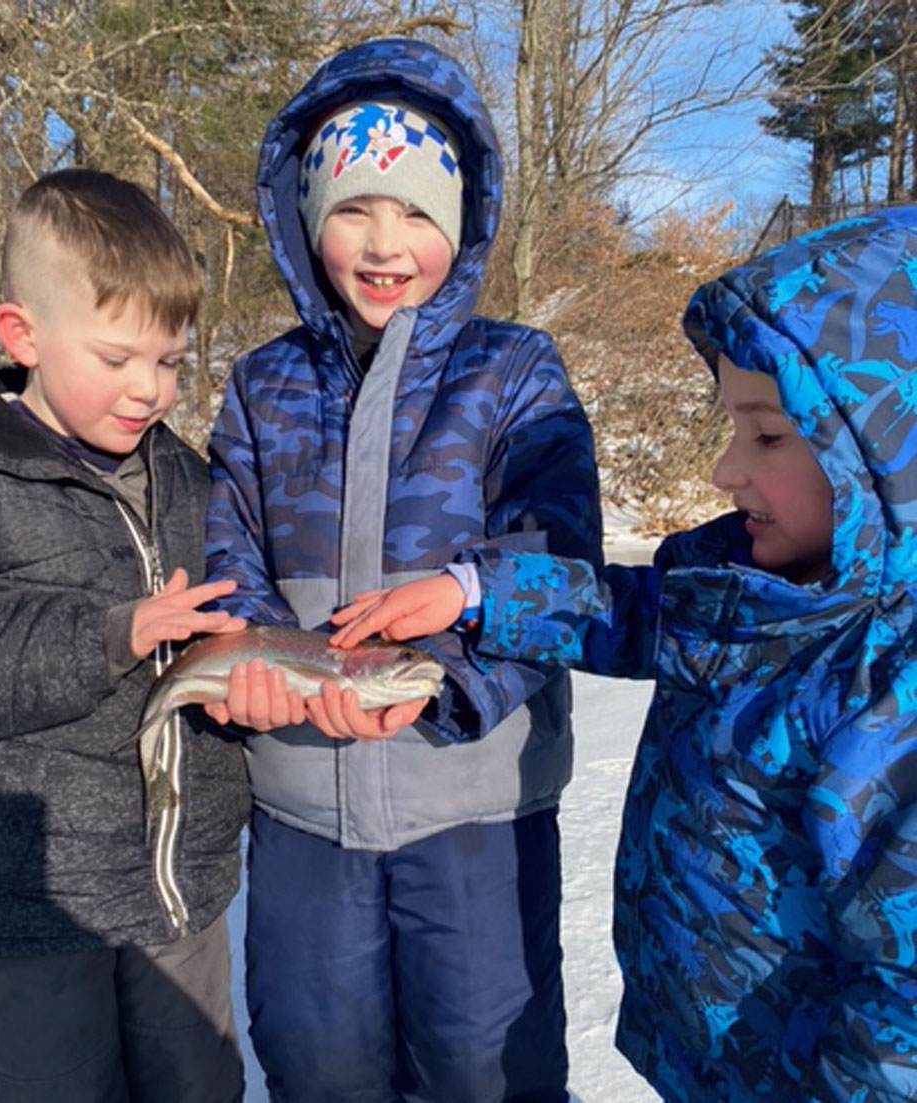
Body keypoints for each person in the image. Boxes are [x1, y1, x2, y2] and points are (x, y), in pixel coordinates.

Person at [330, 207, 917, 1102]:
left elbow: (902, 1014)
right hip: (706, 1059)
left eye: (767, 435)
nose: (725, 470)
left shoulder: (892, 691)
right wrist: (479, 593)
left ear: (888, 455)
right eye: (733, 428)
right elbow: (631, 612)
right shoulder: (750, 591)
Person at [202, 35, 602, 1103]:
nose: (386, 244)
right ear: (304, 219)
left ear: (463, 225)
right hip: (303, 804)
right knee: (318, 1060)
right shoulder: (262, 385)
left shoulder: (514, 373)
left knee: (487, 1066)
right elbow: (229, 552)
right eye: (354, 209)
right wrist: (255, 666)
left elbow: (562, 574)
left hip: (475, 810)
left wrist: (447, 659)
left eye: (418, 212)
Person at [0, 168, 253, 1103]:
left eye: (170, 361)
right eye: (117, 358)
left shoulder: (186, 479)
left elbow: (216, 629)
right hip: (30, 904)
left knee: (198, 1086)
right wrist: (110, 634)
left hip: (178, 892)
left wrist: (239, 674)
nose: (150, 390)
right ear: (21, 335)